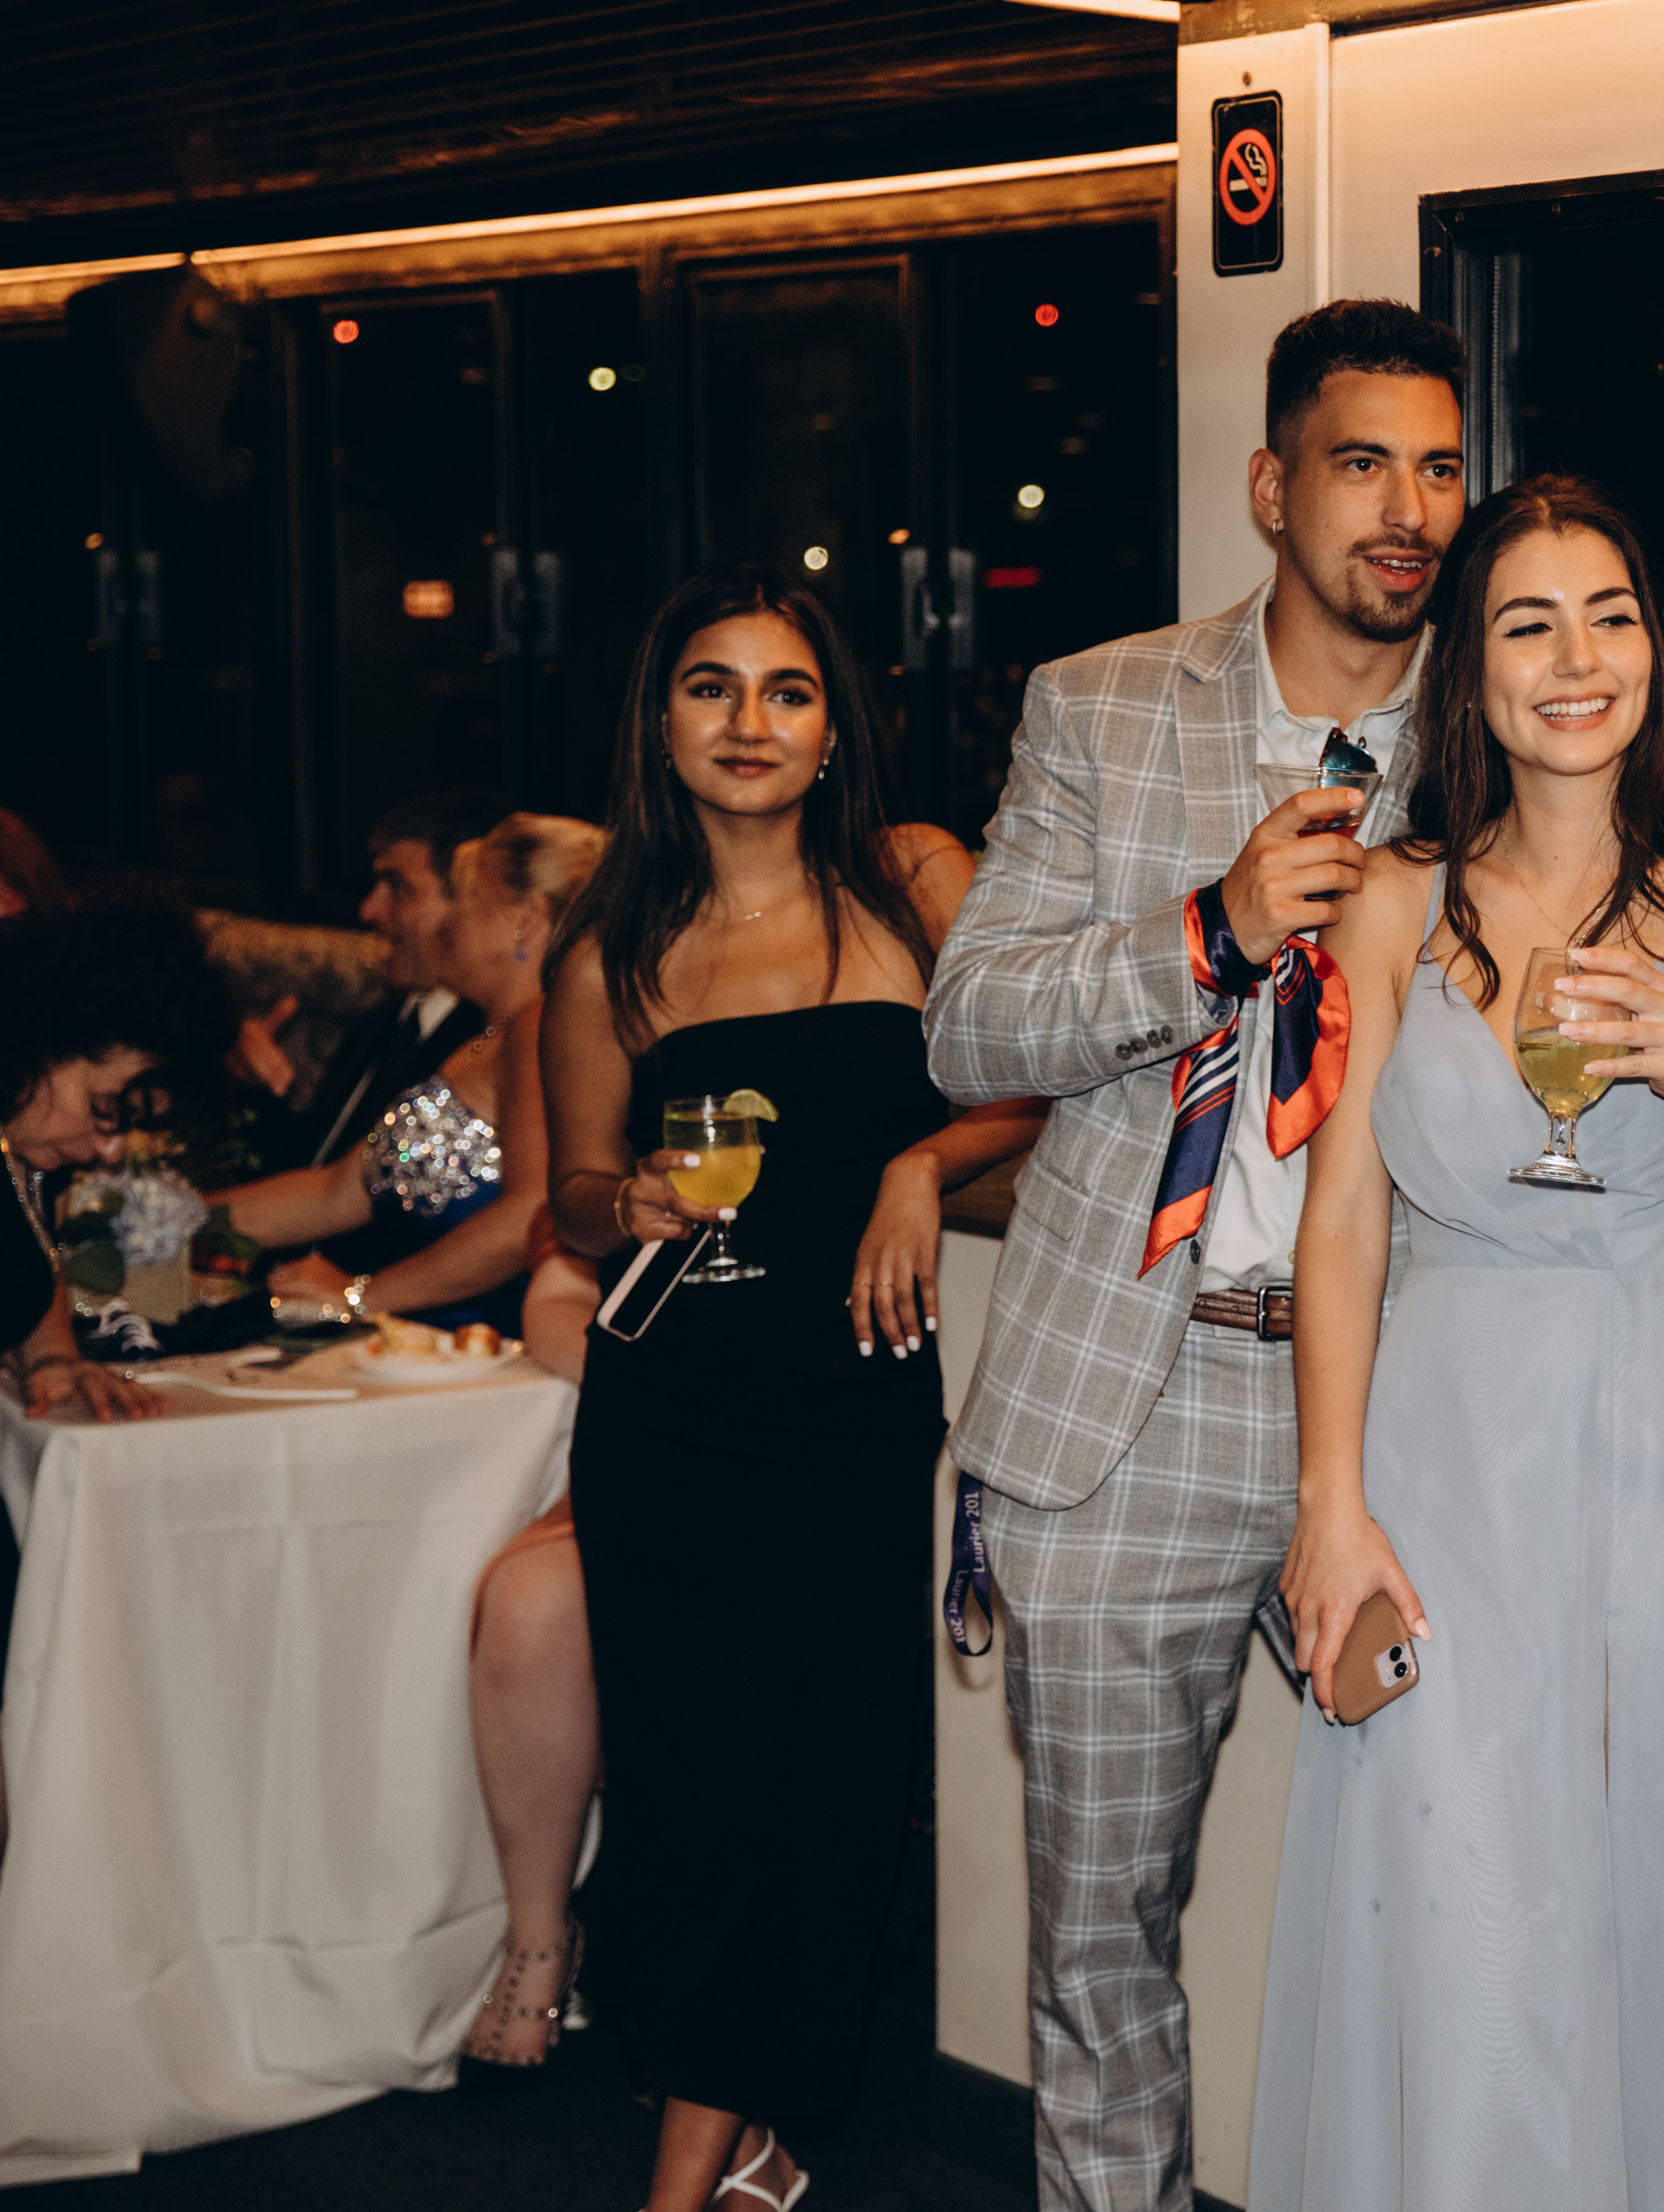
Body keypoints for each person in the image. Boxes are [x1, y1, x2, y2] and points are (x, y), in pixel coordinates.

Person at [923, 300, 1664, 2212]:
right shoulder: (1101, 707)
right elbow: (967, 1026)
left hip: (1425, 1419)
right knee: (1100, 1931)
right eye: (1358, 463)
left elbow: (1643, 1123)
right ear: (1271, 486)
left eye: (1436, 469)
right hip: (1139, 1399)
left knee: (1494, 1896)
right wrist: (1208, 929)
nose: (1406, 508)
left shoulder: (1509, 721)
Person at [1249, 476, 1664, 2205]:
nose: (1576, 660)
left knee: (1648, 1905)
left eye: (1610, 617)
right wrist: (1330, 1501)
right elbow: (1343, 1220)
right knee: (1460, 1923)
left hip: (1661, 1463)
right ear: (1469, 665)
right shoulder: (1392, 900)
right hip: (1439, 1469)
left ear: (1655, 649)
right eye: (1528, 623)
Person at [543, 565, 1046, 2211]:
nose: (748, 721)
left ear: (834, 728)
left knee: (825, 1771)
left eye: (787, 689)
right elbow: (570, 1193)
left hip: (846, 1403)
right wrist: (627, 1199)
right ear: (660, 723)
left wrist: (918, 1162)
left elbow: (1030, 1087)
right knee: (683, 1779)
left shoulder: (915, 882)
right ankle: (707, 2153)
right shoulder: (611, 949)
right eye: (711, 686)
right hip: (665, 1408)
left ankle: (734, 2126)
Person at [210, 814, 602, 1330]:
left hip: (484, 1340)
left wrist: (360, 1296)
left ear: (527, 917)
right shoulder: (484, 1040)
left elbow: (530, 1210)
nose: (447, 922)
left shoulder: (540, 1027)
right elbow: (331, 1193)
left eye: (467, 898)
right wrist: (165, 1219)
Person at [450, 1210, 605, 2090]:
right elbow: (552, 1302)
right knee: (526, 1602)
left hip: (799, 1439)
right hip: (660, 1421)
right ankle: (539, 1931)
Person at [2, 900, 237, 1425]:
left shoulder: (35, 1158)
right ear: (36, 1044)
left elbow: (26, 1266)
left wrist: (55, 1360)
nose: (108, 1152)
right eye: (103, 1109)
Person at [249, 790, 513, 1170]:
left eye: (399, 889)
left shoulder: (487, 1035)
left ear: (467, 900)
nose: (368, 910)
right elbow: (313, 1164)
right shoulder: (382, 1021)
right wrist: (254, 1086)